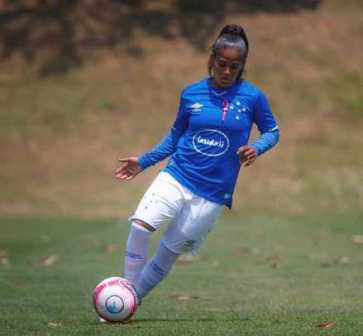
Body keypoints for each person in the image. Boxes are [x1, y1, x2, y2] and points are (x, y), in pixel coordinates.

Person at [115, 24, 280, 308]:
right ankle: (123, 296)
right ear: (211, 60)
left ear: (242, 67)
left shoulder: (253, 97)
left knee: (168, 252)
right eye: (222, 64)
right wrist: (143, 161)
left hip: (213, 194)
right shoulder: (191, 94)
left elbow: (273, 131)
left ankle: (132, 300)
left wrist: (257, 147)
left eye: (234, 66)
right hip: (177, 175)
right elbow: (174, 137)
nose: (227, 71)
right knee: (141, 226)